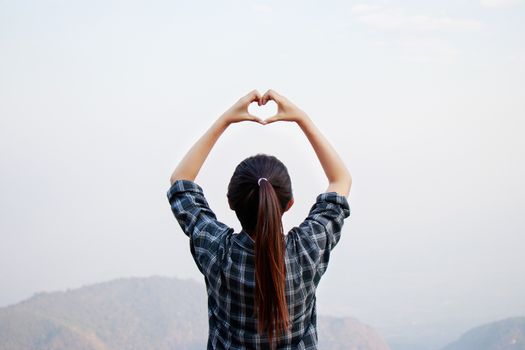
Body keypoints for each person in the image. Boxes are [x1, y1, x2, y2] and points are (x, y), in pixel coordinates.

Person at [166, 89, 352, 349]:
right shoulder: (308, 249)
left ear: (231, 202)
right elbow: (341, 180)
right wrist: (302, 119)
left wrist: (226, 119)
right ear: (289, 205)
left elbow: (181, 182)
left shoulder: (217, 252)